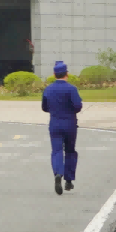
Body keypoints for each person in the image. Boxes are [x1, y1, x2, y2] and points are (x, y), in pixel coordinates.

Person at [41, 61, 84, 194]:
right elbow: (78, 106)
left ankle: (58, 173)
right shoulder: (72, 89)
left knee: (57, 151)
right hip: (70, 123)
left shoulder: (48, 89)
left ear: (54, 74)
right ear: (67, 74)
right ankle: (69, 180)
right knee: (70, 151)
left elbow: (44, 107)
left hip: (55, 123)